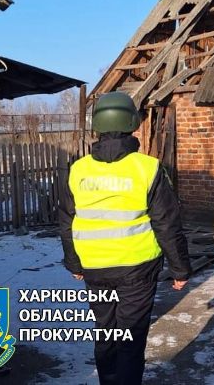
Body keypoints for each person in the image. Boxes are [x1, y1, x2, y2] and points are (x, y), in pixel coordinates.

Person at [59, 91, 191, 385]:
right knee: (130, 337)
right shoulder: (148, 167)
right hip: (137, 269)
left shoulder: (78, 169)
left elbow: (66, 221)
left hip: (94, 268)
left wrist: (74, 264)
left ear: (97, 124)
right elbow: (167, 222)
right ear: (132, 122)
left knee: (105, 333)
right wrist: (180, 268)